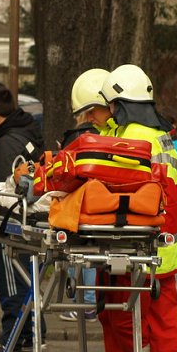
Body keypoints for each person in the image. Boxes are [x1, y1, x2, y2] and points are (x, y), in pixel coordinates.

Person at [97, 64, 177, 352]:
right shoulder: (161, 135)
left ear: (119, 104)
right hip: (165, 244)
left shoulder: (131, 137)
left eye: (110, 106)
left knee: (147, 325)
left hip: (142, 243)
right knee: (162, 324)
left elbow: (118, 187)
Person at [0, 83, 45, 352]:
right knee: (29, 283)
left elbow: (6, 188)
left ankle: (12, 339)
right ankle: (33, 336)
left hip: (12, 222)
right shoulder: (29, 132)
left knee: (12, 283)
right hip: (33, 217)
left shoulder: (7, 143)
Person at [59, 68, 111, 321]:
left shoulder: (77, 137)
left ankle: (84, 302)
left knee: (80, 253)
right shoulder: (111, 135)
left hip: (81, 202)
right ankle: (89, 302)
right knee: (94, 253)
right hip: (106, 201)